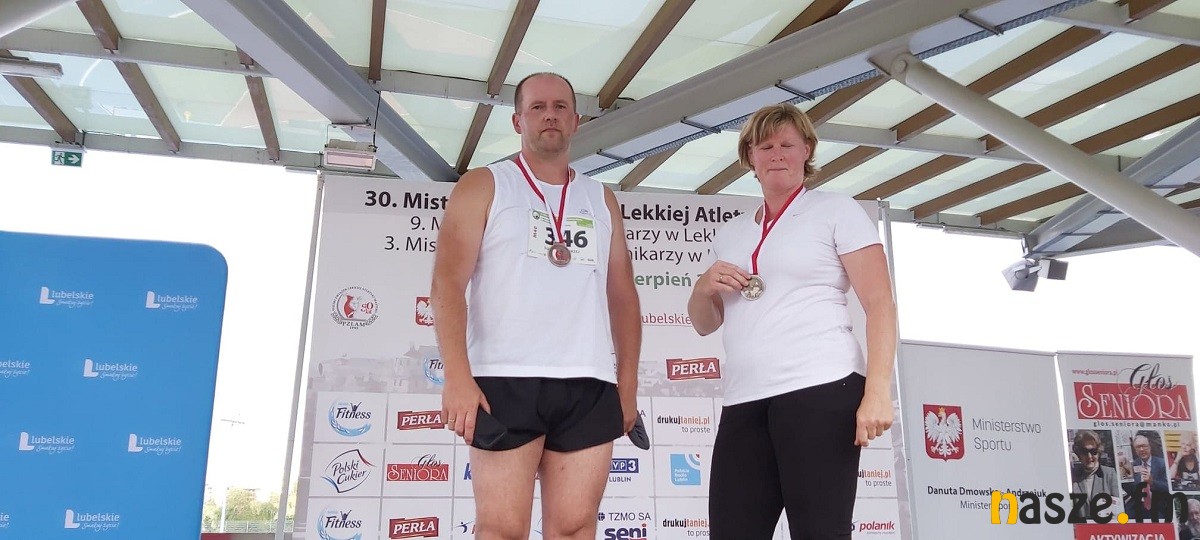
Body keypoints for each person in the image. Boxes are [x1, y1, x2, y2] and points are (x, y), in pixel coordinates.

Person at [430, 72, 641, 540]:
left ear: (576, 121)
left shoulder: (601, 198)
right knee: (502, 529)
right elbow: (447, 283)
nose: (550, 115)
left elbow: (623, 297)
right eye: (538, 107)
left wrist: (626, 386)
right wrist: (457, 376)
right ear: (517, 121)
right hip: (504, 377)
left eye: (560, 106)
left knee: (575, 528)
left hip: (588, 381)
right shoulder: (484, 184)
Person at [687, 103, 897, 539]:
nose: (777, 154)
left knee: (819, 532)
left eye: (787, 144)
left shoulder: (836, 210)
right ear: (750, 157)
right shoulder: (731, 233)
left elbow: (880, 304)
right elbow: (705, 324)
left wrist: (877, 391)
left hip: (821, 389)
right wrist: (702, 288)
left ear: (807, 151)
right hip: (744, 399)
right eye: (765, 146)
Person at [1069, 430, 1122, 520]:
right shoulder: (1072, 476)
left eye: (1093, 451)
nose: (1089, 456)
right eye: (1084, 452)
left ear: (1099, 452)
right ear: (1078, 454)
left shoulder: (1110, 474)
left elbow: (1118, 509)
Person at [1124, 434, 1171, 522]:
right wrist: (1128, 478)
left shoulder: (1162, 464)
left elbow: (1168, 487)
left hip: (1157, 505)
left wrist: (1152, 482)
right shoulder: (1132, 465)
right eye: (1138, 447)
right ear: (1135, 450)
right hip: (1138, 505)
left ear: (1150, 447)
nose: (1142, 449)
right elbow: (1131, 491)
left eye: (1144, 446)